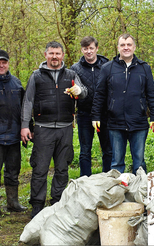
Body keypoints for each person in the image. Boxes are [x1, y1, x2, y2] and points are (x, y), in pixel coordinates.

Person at [21, 41, 87, 218]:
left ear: (63, 55)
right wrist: (25, 126)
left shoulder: (71, 74)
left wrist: (79, 90)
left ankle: (57, 202)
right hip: (43, 129)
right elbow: (27, 102)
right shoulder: (36, 76)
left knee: (62, 168)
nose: (55, 57)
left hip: (65, 129)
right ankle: (37, 205)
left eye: (58, 53)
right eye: (51, 53)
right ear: (45, 55)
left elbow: (85, 92)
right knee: (40, 169)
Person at [91, 33, 154, 175]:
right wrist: (95, 116)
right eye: (123, 45)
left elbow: (152, 93)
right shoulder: (107, 68)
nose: (126, 48)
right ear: (118, 47)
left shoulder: (144, 68)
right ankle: (117, 193)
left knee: (139, 162)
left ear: (134, 47)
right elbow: (99, 94)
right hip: (115, 122)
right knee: (116, 162)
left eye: (129, 45)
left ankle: (140, 191)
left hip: (139, 121)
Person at [70, 36, 112, 177]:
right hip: (84, 114)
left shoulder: (107, 65)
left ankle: (107, 179)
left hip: (105, 114)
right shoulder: (75, 68)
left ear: (96, 49)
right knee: (85, 151)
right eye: (85, 49)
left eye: (91, 48)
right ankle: (85, 182)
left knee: (108, 150)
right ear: (82, 50)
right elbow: (75, 90)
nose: (88, 51)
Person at [0, 50, 27, 212]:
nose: (1, 65)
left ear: (8, 63)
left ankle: (12, 203)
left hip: (13, 136)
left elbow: (24, 109)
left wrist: (28, 128)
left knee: (13, 171)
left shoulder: (17, 84)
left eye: (4, 62)